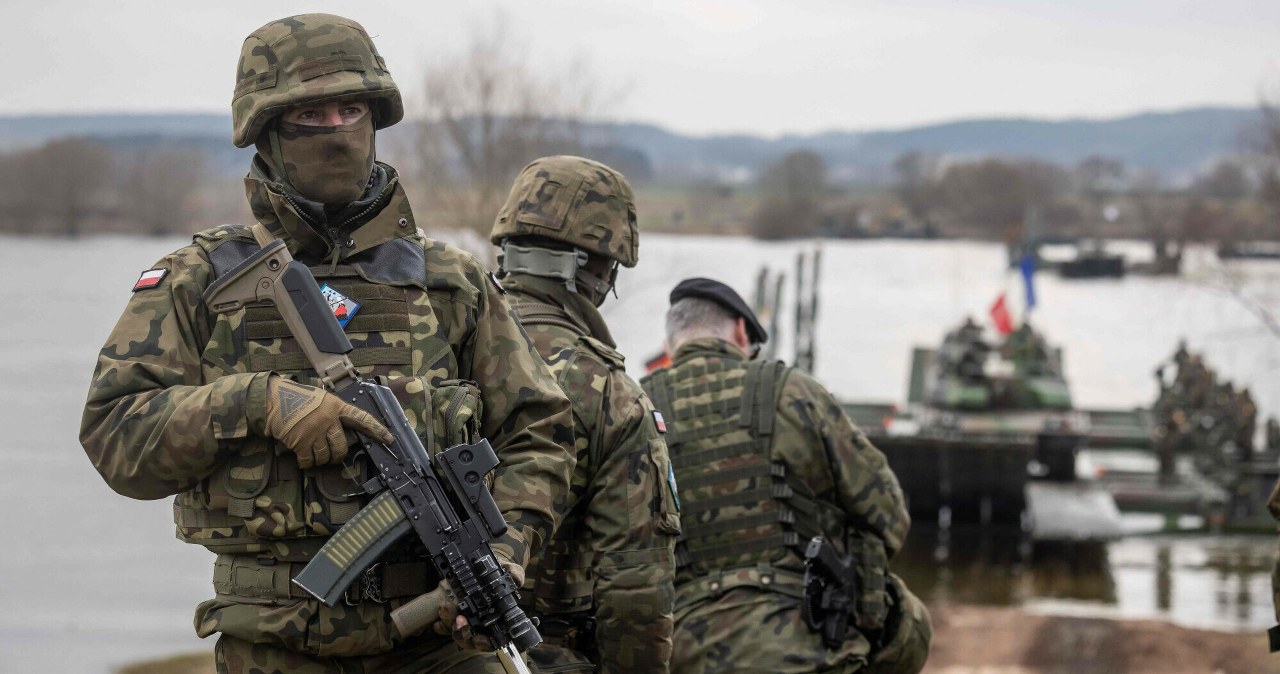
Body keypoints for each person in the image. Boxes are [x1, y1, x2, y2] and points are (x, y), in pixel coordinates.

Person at [79, 14, 575, 673]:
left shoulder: (450, 282)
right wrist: (258, 403)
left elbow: (540, 431)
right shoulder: (198, 280)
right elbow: (115, 436)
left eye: (352, 111)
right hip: (273, 648)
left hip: (437, 647)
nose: (338, 130)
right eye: (311, 116)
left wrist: (506, 551)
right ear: (267, 131)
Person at [452, 155, 680, 673]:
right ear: (598, 270)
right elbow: (636, 588)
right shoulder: (609, 392)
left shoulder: (440, 346)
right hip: (541, 656)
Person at [641, 278, 931, 674]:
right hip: (808, 643)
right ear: (741, 332)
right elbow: (889, 515)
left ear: (671, 342)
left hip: (682, 650)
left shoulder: (636, 407)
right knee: (911, 621)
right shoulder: (794, 391)